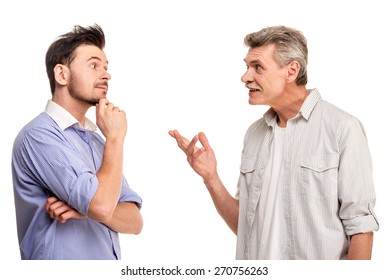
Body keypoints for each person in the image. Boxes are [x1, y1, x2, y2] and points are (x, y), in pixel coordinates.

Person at [169, 25, 379, 260]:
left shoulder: (342, 128)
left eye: (257, 67)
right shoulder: (254, 135)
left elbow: (361, 228)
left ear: (291, 71)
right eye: (247, 66)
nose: (245, 77)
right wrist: (211, 178)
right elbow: (246, 228)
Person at [12, 24, 143, 260]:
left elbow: (135, 222)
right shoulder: (39, 136)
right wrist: (115, 138)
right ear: (62, 74)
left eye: (105, 68)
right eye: (93, 65)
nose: (106, 74)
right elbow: (103, 206)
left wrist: (88, 211)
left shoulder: (95, 141)